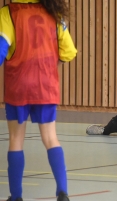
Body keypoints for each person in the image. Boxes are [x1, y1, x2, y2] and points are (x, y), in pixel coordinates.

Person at [0, 0, 77, 201]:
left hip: (18, 85)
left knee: (16, 140)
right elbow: (69, 52)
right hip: (46, 84)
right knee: (51, 137)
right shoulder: (54, 13)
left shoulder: (9, 12)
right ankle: (63, 191)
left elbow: (1, 50)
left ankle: (16, 196)